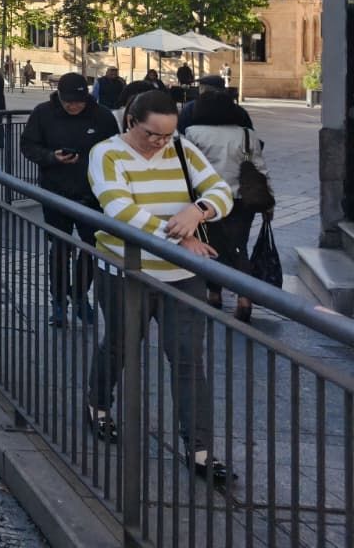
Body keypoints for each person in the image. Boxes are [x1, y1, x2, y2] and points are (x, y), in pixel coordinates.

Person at [86, 90, 233, 486]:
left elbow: (222, 192)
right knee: (119, 343)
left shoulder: (183, 150)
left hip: (182, 276)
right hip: (124, 270)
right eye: (154, 134)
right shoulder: (107, 153)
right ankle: (98, 405)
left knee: (187, 359)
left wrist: (197, 210)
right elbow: (120, 209)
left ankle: (199, 450)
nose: (161, 143)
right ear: (132, 121)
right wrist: (180, 237)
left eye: (168, 135)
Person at [19, 72, 120, 326]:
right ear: (59, 98)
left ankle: (78, 295)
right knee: (60, 248)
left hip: (92, 194)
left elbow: (116, 151)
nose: (74, 106)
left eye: (79, 101)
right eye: (68, 102)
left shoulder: (103, 116)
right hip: (56, 192)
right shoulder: (43, 113)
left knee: (91, 247)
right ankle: (59, 301)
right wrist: (52, 157)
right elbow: (28, 146)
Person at [181, 84, 271, 322]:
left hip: (206, 200)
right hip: (241, 199)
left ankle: (214, 293)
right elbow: (260, 169)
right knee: (238, 246)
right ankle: (244, 297)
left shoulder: (192, 133)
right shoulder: (246, 134)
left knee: (210, 244)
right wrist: (268, 202)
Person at [179, 74, 252, 133]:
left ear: (202, 90)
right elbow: (250, 136)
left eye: (200, 88)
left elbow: (181, 132)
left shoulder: (190, 109)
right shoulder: (238, 110)